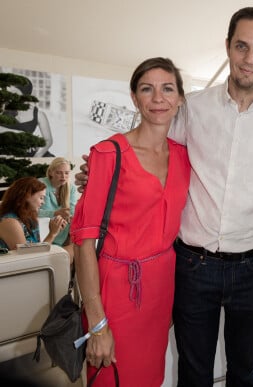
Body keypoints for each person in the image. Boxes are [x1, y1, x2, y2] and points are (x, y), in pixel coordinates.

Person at [169, 7, 253, 386]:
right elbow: (160, 163)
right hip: (193, 265)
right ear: (228, 46)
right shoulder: (193, 108)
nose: (250, 59)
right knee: (193, 374)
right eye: (242, 46)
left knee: (244, 374)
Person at [70, 57, 190, 387]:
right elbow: (83, 241)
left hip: (162, 290)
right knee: (111, 377)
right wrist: (97, 322)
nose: (158, 98)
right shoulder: (109, 153)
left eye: (168, 89)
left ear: (180, 98)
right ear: (134, 98)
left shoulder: (184, 156)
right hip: (115, 291)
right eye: (146, 89)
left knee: (150, 377)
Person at [0, 177, 67, 250]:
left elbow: (36, 250)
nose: (43, 202)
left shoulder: (28, 217)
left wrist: (54, 228)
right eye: (41, 198)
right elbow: (27, 256)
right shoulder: (10, 222)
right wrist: (52, 234)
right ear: (26, 196)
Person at [0, 76, 54, 157]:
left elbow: (48, 140)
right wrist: (19, 133)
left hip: (31, 153)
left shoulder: (39, 114)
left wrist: (38, 155)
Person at [39, 157, 77, 263]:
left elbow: (72, 210)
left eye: (66, 173)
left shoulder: (71, 188)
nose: (63, 177)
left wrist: (72, 217)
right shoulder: (41, 185)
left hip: (65, 233)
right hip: (44, 234)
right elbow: (32, 212)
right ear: (51, 172)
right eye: (59, 173)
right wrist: (55, 213)